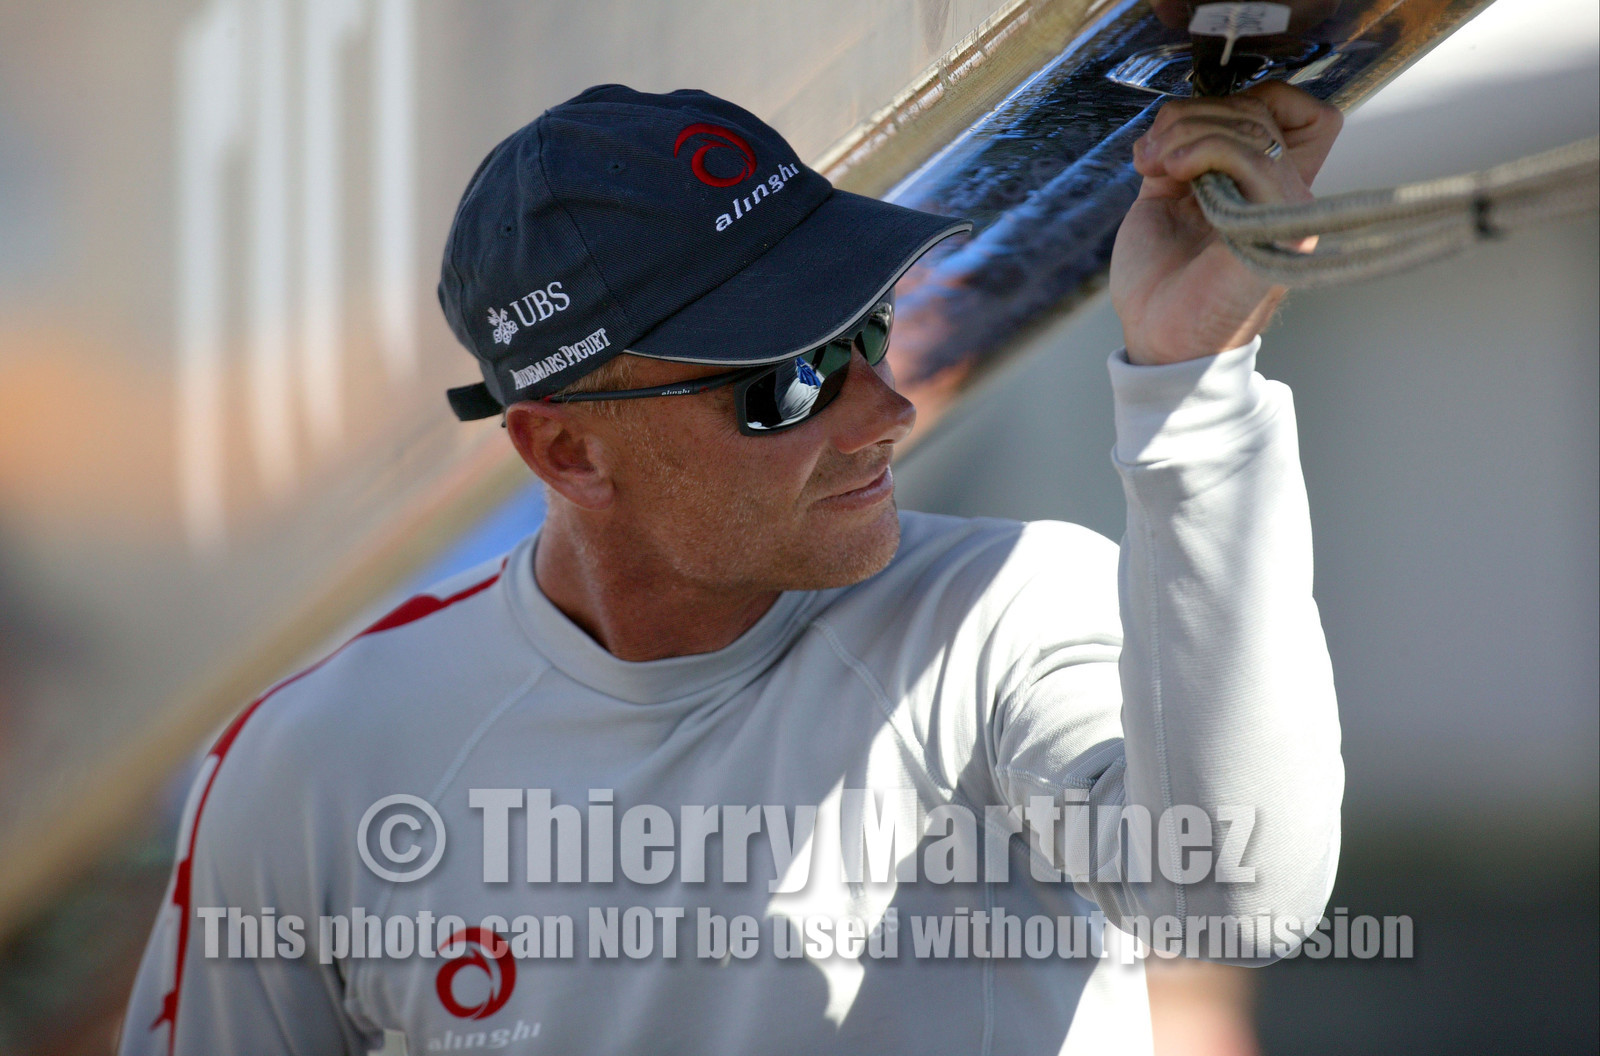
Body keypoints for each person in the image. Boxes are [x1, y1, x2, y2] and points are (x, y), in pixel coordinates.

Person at [119, 79, 1345, 1055]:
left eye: (867, 328)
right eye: (786, 381)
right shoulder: (314, 759)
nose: (883, 409)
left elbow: (1230, 899)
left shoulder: (1007, 613)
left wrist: (1192, 385)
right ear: (568, 449)